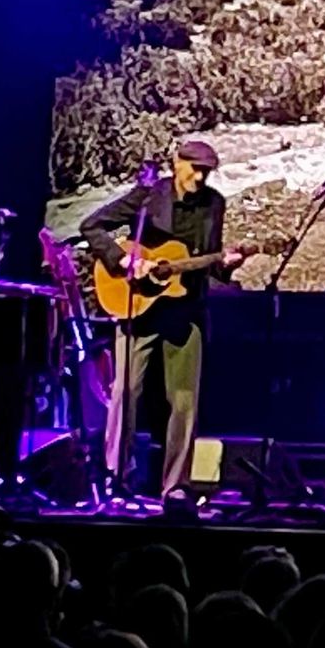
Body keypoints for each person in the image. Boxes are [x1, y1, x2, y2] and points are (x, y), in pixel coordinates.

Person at [79, 140, 246, 500]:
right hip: (137, 305)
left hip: (185, 311)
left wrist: (225, 265)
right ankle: (116, 478)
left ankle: (176, 487)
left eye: (206, 171)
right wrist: (124, 261)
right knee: (126, 392)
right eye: (194, 169)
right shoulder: (148, 197)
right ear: (176, 163)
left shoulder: (214, 203)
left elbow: (207, 261)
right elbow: (92, 226)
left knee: (184, 401)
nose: (200, 178)